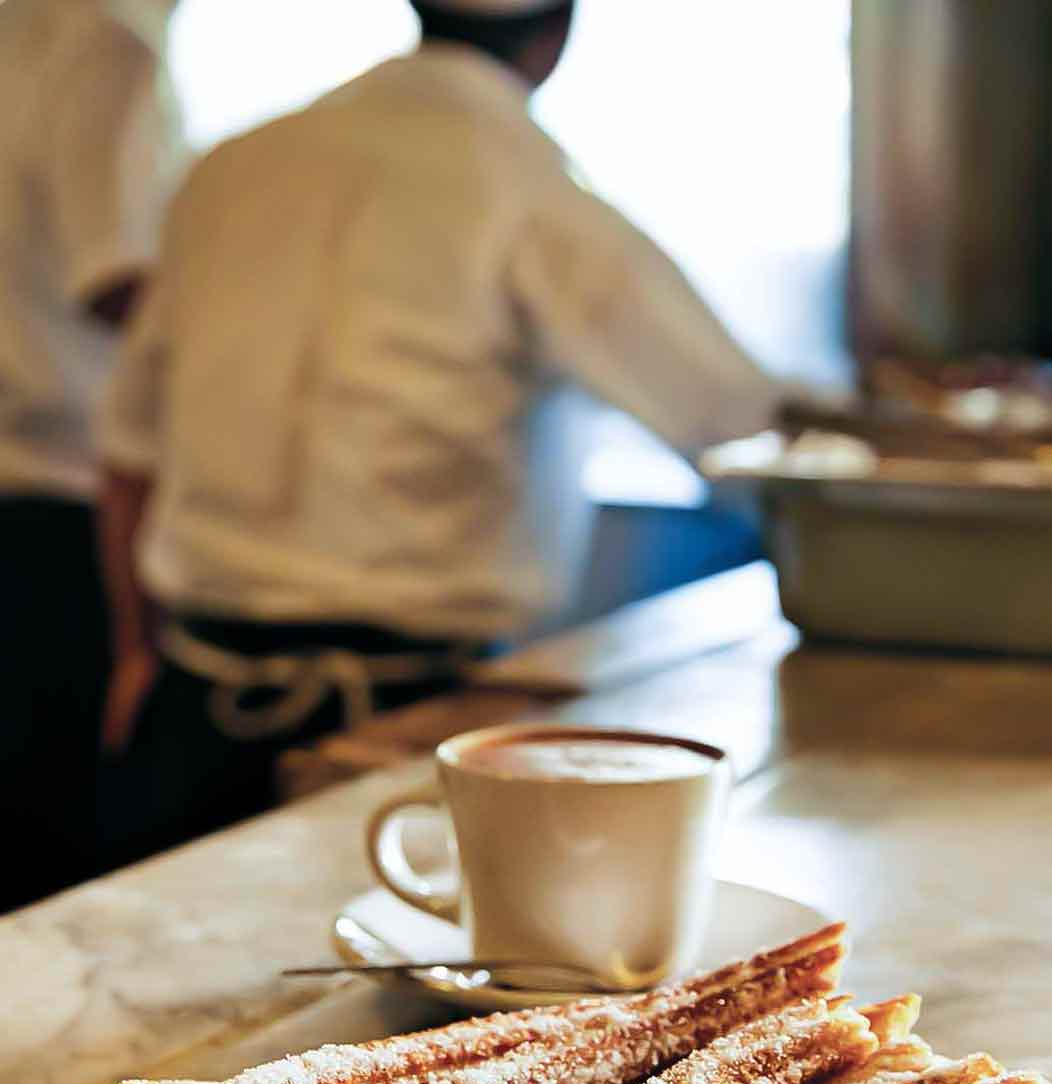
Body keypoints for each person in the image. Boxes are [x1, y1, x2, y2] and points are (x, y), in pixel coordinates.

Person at [96, 0, 789, 869]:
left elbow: (126, 454)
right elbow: (741, 426)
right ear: (556, 34)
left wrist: (131, 656)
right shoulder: (530, 189)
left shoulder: (231, 166)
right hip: (410, 730)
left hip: (189, 709)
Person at [0, 0, 184, 910]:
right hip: (61, 504)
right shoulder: (106, 40)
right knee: (54, 864)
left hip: (29, 487)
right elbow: (115, 278)